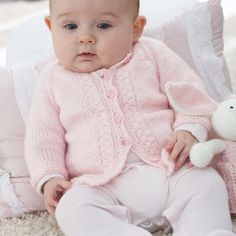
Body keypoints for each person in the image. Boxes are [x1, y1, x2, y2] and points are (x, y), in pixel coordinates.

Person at [25, 0, 235, 235]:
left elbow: (191, 96)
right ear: (51, 27)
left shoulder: (152, 53)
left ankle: (206, 231)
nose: (85, 37)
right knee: (72, 208)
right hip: (101, 185)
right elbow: (42, 138)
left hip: (171, 169)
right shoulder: (52, 80)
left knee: (206, 181)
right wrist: (49, 178)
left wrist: (189, 130)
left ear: (135, 29)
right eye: (70, 26)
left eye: (103, 25)